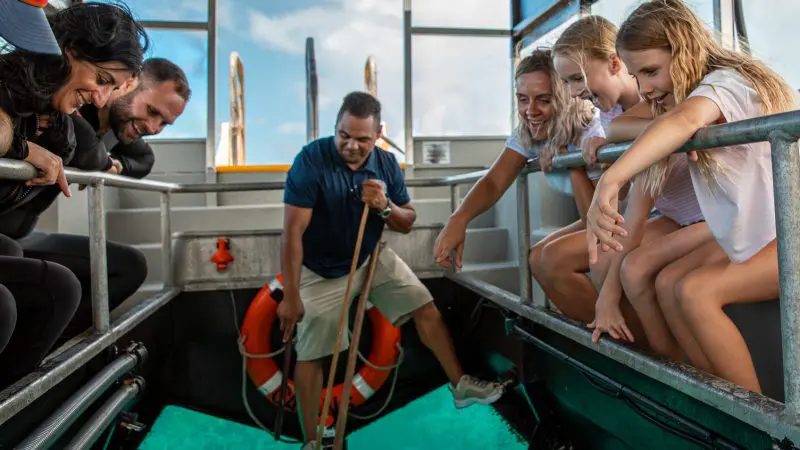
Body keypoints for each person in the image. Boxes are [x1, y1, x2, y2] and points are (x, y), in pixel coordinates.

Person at [585, 0, 798, 393]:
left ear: (684, 50)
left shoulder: (728, 83)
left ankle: (763, 428)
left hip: (788, 234)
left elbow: (684, 118)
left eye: (651, 71)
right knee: (670, 285)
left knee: (697, 292)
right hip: (761, 236)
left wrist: (609, 182)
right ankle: (710, 398)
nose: (645, 87)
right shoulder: (683, 109)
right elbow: (670, 124)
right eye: (637, 75)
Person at [279, 92, 506, 448]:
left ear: (378, 133)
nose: (351, 145)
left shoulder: (385, 164)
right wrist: (291, 295)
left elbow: (407, 221)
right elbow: (292, 232)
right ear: (335, 126)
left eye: (362, 139)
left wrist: (385, 206)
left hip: (372, 258)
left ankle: (460, 386)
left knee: (425, 307)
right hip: (321, 270)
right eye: (344, 135)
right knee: (311, 354)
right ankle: (312, 440)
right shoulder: (311, 160)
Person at [0, 1, 148, 387]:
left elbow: (121, 157)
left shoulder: (61, 128)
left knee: (59, 284)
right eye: (101, 79)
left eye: (112, 90)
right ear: (67, 53)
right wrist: (23, 150)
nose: (100, 99)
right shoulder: (12, 84)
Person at [433, 48, 604, 323]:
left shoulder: (592, 133)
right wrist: (459, 219)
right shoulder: (531, 131)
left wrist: (571, 162)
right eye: (523, 99)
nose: (530, 111)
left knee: (552, 261)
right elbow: (493, 181)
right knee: (536, 257)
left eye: (544, 100)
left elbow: (593, 218)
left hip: (623, 219)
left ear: (566, 98)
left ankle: (621, 338)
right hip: (600, 218)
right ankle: (599, 329)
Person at [71, 57, 191, 179]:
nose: (152, 129)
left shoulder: (119, 127)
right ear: (129, 83)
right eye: (152, 111)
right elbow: (79, 134)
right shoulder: (75, 104)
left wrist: (115, 166)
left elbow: (145, 159)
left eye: (164, 123)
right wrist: (103, 162)